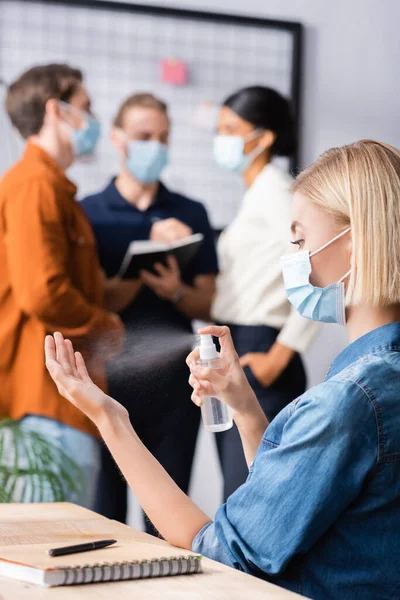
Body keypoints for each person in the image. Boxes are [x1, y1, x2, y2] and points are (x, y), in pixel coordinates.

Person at [47, 139, 400, 599]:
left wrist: (108, 418)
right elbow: (288, 500)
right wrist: (247, 409)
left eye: (299, 239)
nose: (291, 257)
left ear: (354, 244)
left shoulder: (349, 401)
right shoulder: (378, 381)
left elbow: (223, 554)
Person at [81, 93, 218, 529]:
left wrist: (177, 291)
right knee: (105, 516)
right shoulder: (87, 213)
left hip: (176, 386)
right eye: (144, 136)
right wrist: (143, 257)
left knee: (168, 518)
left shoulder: (191, 212)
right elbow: (85, 299)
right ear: (118, 139)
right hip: (105, 379)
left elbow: (209, 302)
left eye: (163, 137)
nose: (155, 146)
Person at [0, 63, 130, 507]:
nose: (93, 120)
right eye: (87, 108)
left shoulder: (51, 188)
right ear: (57, 110)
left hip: (56, 404)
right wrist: (105, 325)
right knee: (55, 557)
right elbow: (43, 292)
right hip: (45, 404)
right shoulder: (35, 185)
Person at [211, 86, 319, 499]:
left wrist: (281, 353)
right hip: (237, 341)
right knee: (237, 491)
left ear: (264, 137)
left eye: (231, 128)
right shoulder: (256, 195)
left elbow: (315, 267)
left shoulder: (277, 193)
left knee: (250, 496)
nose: (221, 138)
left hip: (262, 348)